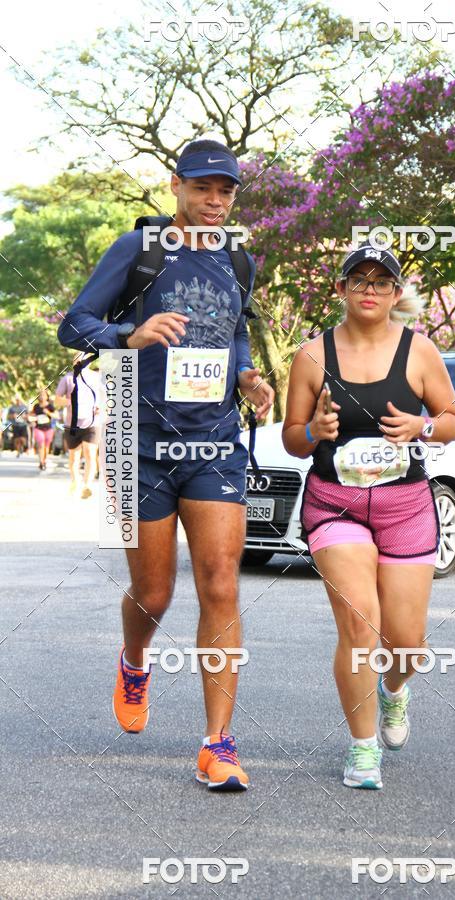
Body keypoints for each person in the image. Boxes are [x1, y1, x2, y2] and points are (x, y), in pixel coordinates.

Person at [58, 138, 273, 792]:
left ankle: (218, 743)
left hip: (214, 441)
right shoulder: (140, 250)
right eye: (202, 187)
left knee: (221, 583)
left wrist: (247, 376)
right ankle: (134, 660)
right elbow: (75, 324)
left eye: (226, 191)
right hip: (140, 442)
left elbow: (235, 331)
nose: (215, 201)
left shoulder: (238, 260)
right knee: (153, 594)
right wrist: (129, 335)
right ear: (176, 186)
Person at [283, 244, 455, 790]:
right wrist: (314, 431)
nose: (369, 290)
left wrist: (421, 427)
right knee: (360, 625)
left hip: (405, 507)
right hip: (334, 505)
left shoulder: (419, 351)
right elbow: (292, 438)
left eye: (381, 282)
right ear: (340, 289)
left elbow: (452, 420)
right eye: (358, 280)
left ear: (395, 292)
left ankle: (393, 690)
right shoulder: (312, 355)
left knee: (406, 642)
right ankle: (363, 750)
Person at [56, 356, 104, 498]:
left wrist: (101, 407)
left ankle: (87, 485)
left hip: (92, 423)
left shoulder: (97, 377)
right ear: (73, 363)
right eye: (77, 360)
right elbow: (57, 400)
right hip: (72, 424)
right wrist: (70, 401)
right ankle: (75, 481)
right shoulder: (68, 379)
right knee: (74, 457)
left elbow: (108, 397)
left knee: (90, 453)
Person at [30, 389, 56, 471]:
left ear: (47, 397)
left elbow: (56, 416)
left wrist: (48, 413)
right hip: (38, 428)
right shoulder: (36, 406)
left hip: (48, 428)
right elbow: (32, 415)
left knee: (47, 446)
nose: (42, 397)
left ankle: (44, 460)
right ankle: (41, 462)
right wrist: (31, 418)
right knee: (41, 444)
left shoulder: (50, 406)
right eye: (40, 395)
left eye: (44, 395)